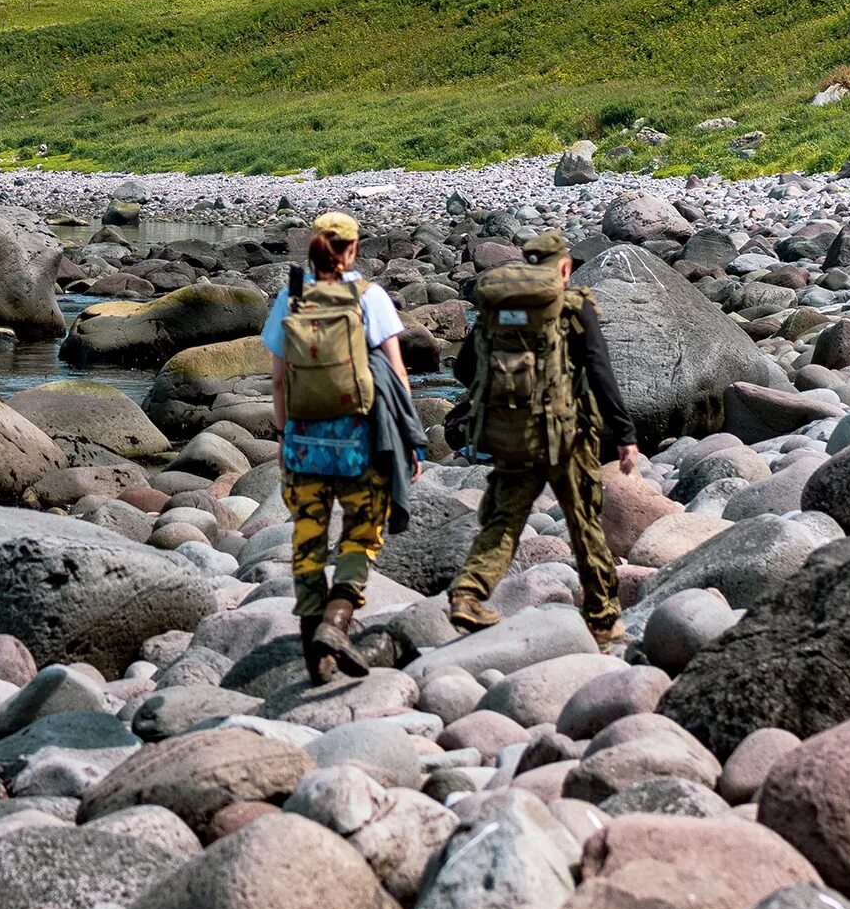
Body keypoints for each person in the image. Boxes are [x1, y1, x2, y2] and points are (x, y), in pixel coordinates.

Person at [445, 228, 641, 642]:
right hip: (567, 440)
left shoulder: (498, 310)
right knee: (585, 524)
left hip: (511, 437)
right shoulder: (573, 307)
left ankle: (468, 594)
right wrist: (624, 433)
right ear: (564, 267)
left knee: (503, 521)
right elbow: (601, 372)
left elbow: (463, 370)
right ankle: (604, 620)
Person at [265, 209, 422, 684]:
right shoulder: (369, 296)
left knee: (307, 537)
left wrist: (282, 435)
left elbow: (277, 381)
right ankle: (336, 623)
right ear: (354, 249)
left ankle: (317, 652)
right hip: (361, 441)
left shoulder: (291, 296)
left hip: (304, 443)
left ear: (312, 244)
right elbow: (396, 376)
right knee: (362, 531)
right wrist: (410, 440)